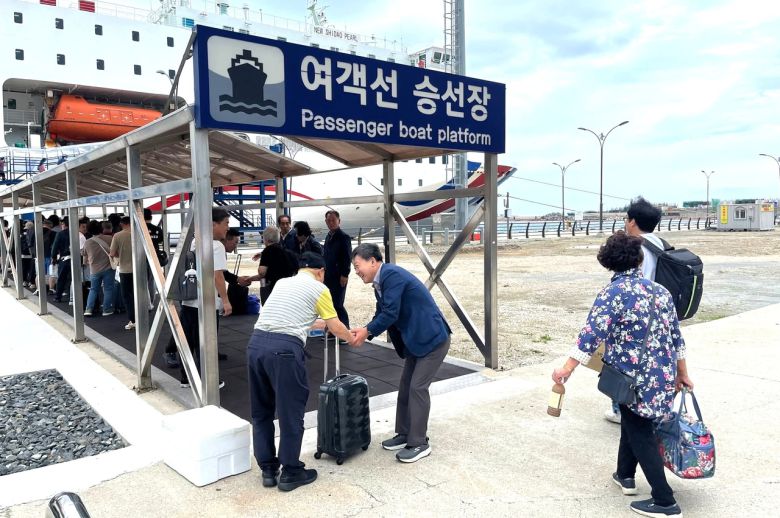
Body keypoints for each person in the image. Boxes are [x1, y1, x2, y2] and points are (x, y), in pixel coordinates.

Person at [551, 231, 692, 518]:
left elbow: (590, 336)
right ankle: (625, 475)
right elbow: (677, 338)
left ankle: (664, 501)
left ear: (608, 263)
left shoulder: (612, 294)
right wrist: (683, 373)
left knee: (640, 431)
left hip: (630, 378)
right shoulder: (661, 292)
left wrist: (566, 368)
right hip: (662, 375)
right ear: (639, 260)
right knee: (632, 420)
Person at [247, 251, 357, 492]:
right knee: (290, 412)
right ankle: (291, 471)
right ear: (321, 272)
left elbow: (292, 316)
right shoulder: (320, 289)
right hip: (284, 351)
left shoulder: (282, 283)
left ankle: (268, 469)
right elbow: (335, 325)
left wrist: (320, 323)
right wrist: (351, 337)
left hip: (256, 345)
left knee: (261, 411)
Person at [350, 243, 452, 463]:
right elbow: (382, 312)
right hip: (417, 341)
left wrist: (367, 331)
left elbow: (390, 313)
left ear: (372, 261)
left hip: (433, 339)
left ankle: (419, 442)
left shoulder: (391, 276)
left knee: (417, 388)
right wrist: (366, 330)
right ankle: (405, 433)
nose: (356, 271)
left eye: (357, 266)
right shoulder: (381, 282)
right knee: (406, 386)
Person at [604, 197, 665, 424]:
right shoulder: (659, 244)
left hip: (638, 315)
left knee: (622, 363)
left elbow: (636, 282)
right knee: (649, 363)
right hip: (658, 311)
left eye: (626, 218)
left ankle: (621, 410)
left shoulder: (637, 247)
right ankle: (646, 407)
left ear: (632, 221)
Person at [178, 208, 232, 389]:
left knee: (189, 340)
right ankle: (208, 381)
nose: (227, 228)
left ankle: (186, 378)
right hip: (207, 301)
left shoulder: (195, 241)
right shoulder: (216, 246)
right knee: (207, 341)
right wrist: (225, 300)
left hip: (190, 298)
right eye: (226, 223)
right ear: (213, 224)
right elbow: (217, 275)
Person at [242, 226, 298, 304]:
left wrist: (249, 279)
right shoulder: (289, 253)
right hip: (288, 290)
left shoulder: (267, 251)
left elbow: (262, 273)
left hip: (272, 290)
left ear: (265, 239)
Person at [323, 210, 352, 334]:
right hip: (328, 276)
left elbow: (347, 257)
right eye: (328, 220)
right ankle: (333, 330)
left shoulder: (343, 237)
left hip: (339, 276)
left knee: (338, 303)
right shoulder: (328, 236)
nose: (331, 222)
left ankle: (345, 331)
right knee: (330, 304)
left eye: (333, 220)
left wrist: (345, 274)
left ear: (339, 221)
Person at [81, 221, 115, 316]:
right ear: (101, 228)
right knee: (108, 289)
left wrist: (86, 263)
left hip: (94, 270)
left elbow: (84, 256)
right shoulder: (110, 239)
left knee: (93, 289)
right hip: (108, 268)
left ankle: (88, 309)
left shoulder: (87, 242)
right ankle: (106, 310)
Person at [110, 217, 135, 330]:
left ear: (122, 224)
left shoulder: (118, 236)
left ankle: (133, 320)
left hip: (125, 270)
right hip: (139, 269)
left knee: (127, 296)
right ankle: (142, 316)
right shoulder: (138, 234)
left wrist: (119, 255)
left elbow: (112, 253)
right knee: (138, 294)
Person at [50, 217, 72, 303]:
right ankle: (72, 296)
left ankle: (58, 297)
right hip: (76, 259)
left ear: (64, 224)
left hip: (64, 259)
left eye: (62, 224)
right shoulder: (77, 233)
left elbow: (54, 247)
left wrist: (54, 257)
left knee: (61, 278)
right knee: (73, 279)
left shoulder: (60, 234)